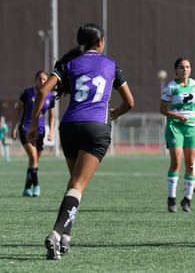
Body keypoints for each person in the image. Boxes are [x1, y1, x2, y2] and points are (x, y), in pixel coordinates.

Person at [27, 23, 134, 260]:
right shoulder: (111, 65)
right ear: (100, 42)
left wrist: (34, 124)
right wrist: (113, 114)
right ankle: (56, 233)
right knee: (77, 185)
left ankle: (66, 237)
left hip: (69, 127)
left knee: (74, 183)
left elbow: (43, 91)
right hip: (96, 128)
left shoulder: (68, 64)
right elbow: (130, 102)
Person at [160, 57, 195, 213]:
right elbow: (162, 109)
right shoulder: (171, 87)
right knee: (176, 162)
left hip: (191, 128)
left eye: (188, 67)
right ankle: (171, 199)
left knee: (191, 164)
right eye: (182, 67)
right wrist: (178, 117)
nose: (185, 69)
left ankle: (187, 199)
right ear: (176, 70)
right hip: (175, 126)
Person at [11, 70, 55, 197]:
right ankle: (36, 186)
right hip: (26, 130)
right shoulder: (27, 93)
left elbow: (52, 116)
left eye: (44, 79)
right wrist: (13, 128)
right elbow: (17, 109)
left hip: (40, 132)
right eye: (40, 79)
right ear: (35, 80)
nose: (42, 81)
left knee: (33, 161)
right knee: (34, 158)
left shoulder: (50, 96)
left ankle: (26, 189)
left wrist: (51, 132)